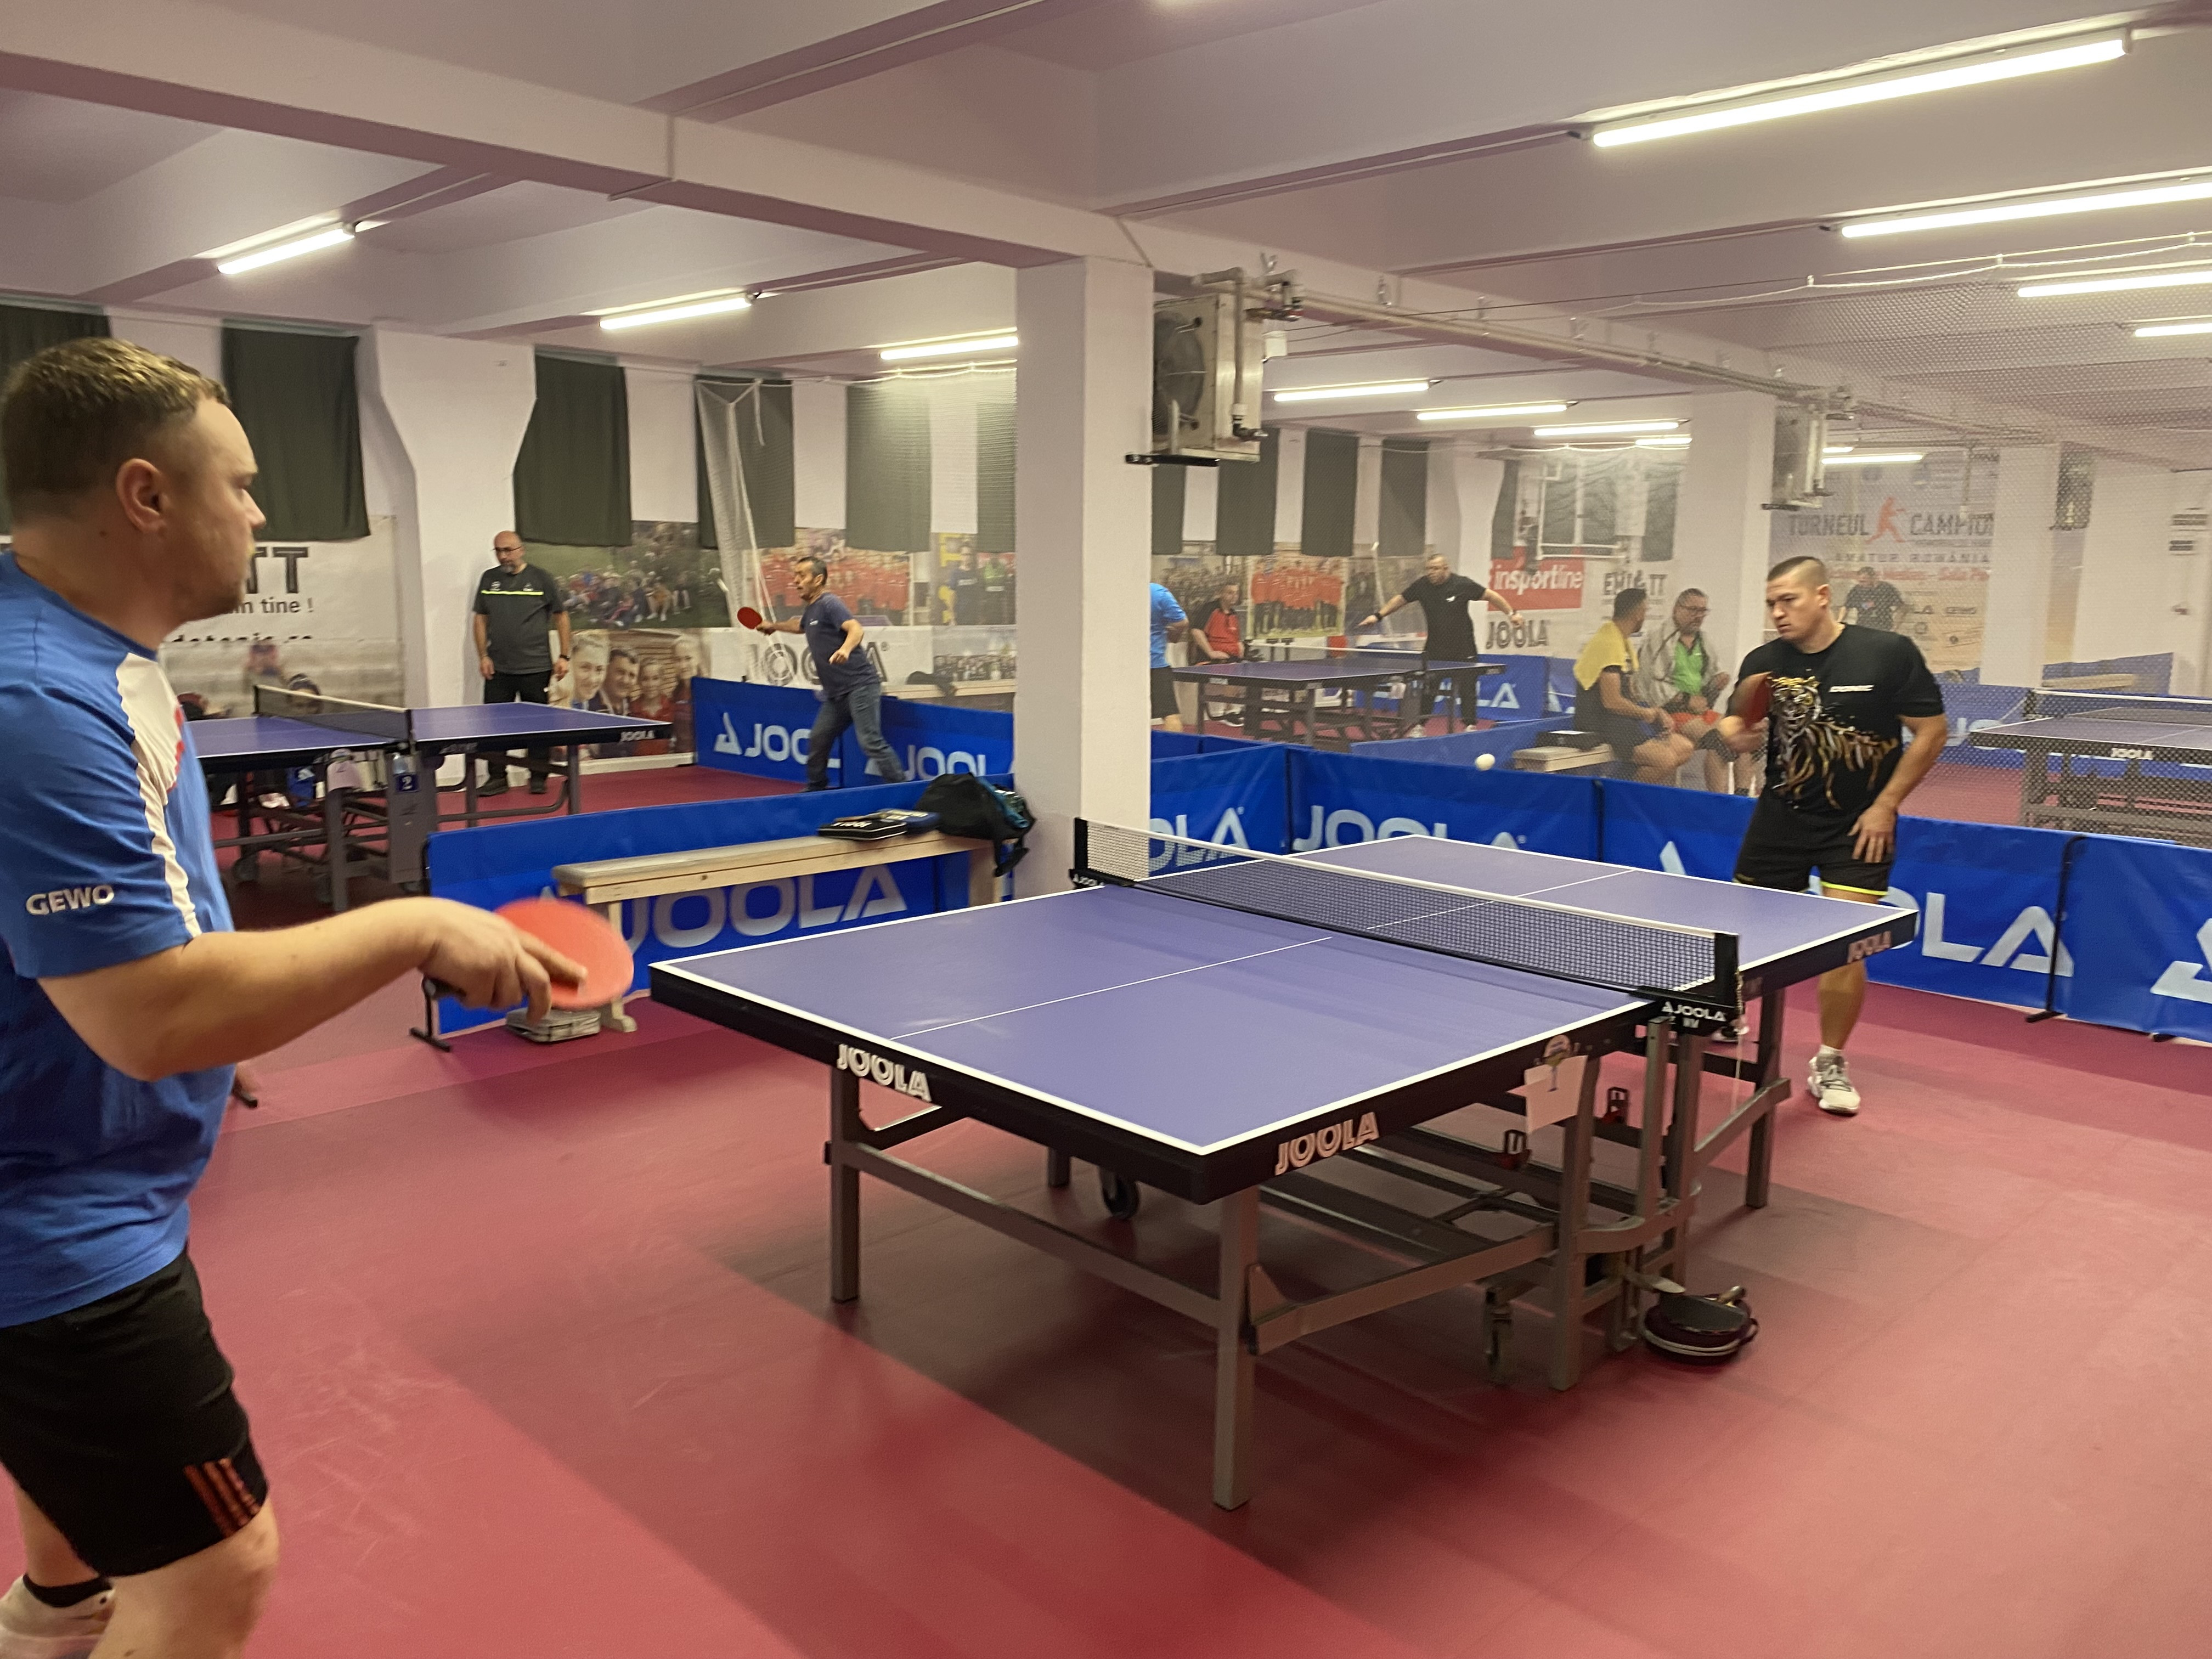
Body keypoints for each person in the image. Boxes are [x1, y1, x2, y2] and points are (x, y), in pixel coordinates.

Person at [0, 338, 575, 1659]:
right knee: (216, 1568)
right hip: (49, 1226)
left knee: (79, 1512)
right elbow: (150, 1013)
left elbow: (131, 950)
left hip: (64, 1147)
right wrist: (412, 923)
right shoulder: (43, 700)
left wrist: (220, 1020)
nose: (260, 514)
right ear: (146, 495)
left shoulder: (84, 644)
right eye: (243, 483)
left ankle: (51, 1616)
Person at [1718, 556, 1946, 1116]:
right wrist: (1735, 733)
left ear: (1822, 596)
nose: (1778, 613)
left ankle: (1830, 1060)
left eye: (1788, 600)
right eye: (1771, 603)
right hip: (1781, 818)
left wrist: (1886, 806)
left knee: (1845, 948)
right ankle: (1728, 1011)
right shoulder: (1765, 661)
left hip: (1858, 825)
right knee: (1747, 936)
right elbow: (1735, 722)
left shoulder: (1887, 653)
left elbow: (1931, 731)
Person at [753, 556, 907, 791]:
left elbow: (855, 628)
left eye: (801, 575)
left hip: (860, 686)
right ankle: (817, 788)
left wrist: (845, 649)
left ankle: (903, 789)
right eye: (795, 575)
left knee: (870, 742)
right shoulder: (813, 609)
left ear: (818, 580)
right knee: (818, 739)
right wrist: (773, 626)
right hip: (836, 695)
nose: (795, 581)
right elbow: (799, 625)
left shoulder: (830, 603)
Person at [1356, 554, 1521, 730]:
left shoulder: (1462, 584)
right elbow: (1401, 599)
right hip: (1435, 648)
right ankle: (1420, 725)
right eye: (1429, 569)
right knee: (1429, 688)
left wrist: (1511, 614)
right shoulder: (1422, 585)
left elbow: (1491, 596)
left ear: (1446, 569)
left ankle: (1470, 725)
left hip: (1463, 647)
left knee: (1468, 689)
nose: (1431, 573)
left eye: (1435, 569)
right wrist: (1378, 616)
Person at [471, 530, 572, 797]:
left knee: (537, 727)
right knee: (494, 728)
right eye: (498, 551)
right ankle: (497, 778)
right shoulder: (489, 579)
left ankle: (538, 777)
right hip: (498, 668)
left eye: (508, 550)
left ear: (521, 550)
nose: (504, 556)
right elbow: (480, 619)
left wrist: (564, 656)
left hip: (535, 667)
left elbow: (561, 616)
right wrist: (483, 656)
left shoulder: (541, 578)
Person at [1572, 588, 1697, 782]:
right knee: (1665, 760)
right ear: (1638, 613)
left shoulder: (1621, 640)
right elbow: (1612, 702)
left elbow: (1631, 693)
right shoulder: (1608, 643)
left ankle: (1623, 782)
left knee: (1685, 748)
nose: (1645, 617)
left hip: (1622, 720)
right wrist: (1646, 714)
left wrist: (1657, 712)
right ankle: (1618, 794)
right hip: (1602, 723)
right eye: (1645, 611)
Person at [1635, 588, 1746, 792]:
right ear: (1677, 609)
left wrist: (1716, 683)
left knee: (1743, 734)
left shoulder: (1702, 641)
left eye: (1703, 611)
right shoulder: (1659, 639)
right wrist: (1686, 700)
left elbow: (1708, 682)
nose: (1699, 616)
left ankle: (1742, 796)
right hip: (1669, 712)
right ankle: (1718, 801)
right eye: (1693, 610)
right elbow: (1652, 686)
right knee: (1717, 741)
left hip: (1697, 711)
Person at [1149, 580, 1189, 732]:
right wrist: (1173, 634)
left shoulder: (1117, 591)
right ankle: (1175, 747)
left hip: (1123, 665)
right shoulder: (1158, 593)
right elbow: (1182, 622)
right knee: (1170, 715)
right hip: (1155, 665)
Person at [1842, 565, 1908, 634]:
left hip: (1884, 626)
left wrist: (1895, 628)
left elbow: (1902, 608)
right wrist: (1839, 622)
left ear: (1873, 578)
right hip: (1863, 626)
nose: (1861, 584)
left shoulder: (1886, 588)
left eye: (1864, 581)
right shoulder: (1857, 590)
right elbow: (1846, 607)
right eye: (1860, 582)